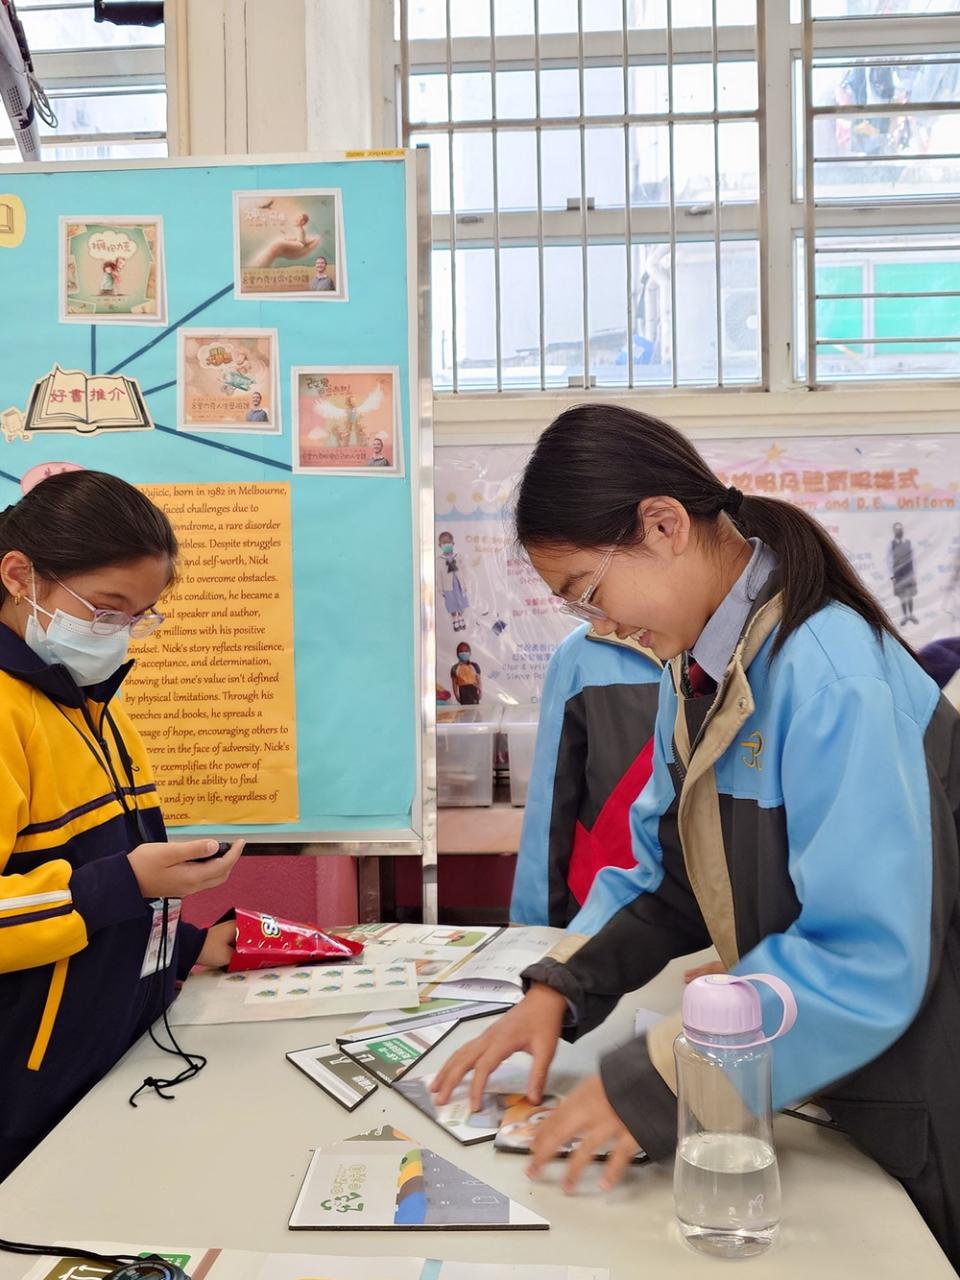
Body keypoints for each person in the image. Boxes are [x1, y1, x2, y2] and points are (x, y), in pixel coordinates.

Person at [432, 404, 960, 1268]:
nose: (600, 627)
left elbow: (867, 957)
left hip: (914, 1095)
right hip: (825, 1084)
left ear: (665, 525)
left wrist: (655, 1082)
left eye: (590, 594)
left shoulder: (828, 673)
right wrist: (558, 989)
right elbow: (668, 876)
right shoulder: (702, 671)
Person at [0, 470, 244, 1181]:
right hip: (23, 1097)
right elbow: (102, 887)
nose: (118, 635)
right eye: (106, 611)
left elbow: (101, 884)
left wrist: (188, 946)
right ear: (19, 575)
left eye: (137, 617)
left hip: (102, 1066)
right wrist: (123, 884)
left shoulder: (92, 707)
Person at [510, 624, 661, 927]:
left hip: (724, 914)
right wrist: (533, 930)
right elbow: (551, 799)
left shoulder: (751, 646)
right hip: (602, 909)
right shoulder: (582, 652)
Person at [437, 531, 469, 633]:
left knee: (461, 601)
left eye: (448, 542)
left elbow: (464, 570)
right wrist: (440, 589)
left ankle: (461, 617)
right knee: (451, 603)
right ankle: (455, 619)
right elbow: (438, 576)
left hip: (459, 585)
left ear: (453, 543)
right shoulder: (439, 560)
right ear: (440, 545)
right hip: (448, 587)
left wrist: (465, 583)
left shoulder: (458, 556)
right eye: (444, 543)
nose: (446, 544)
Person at [889, 521, 918, 626]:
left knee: (909, 595)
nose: (899, 531)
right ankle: (905, 616)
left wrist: (914, 574)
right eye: (897, 529)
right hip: (898, 575)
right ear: (894, 531)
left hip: (909, 573)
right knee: (902, 596)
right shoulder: (892, 544)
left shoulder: (908, 542)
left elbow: (913, 559)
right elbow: (889, 560)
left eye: (900, 529)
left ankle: (911, 615)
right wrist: (892, 576)